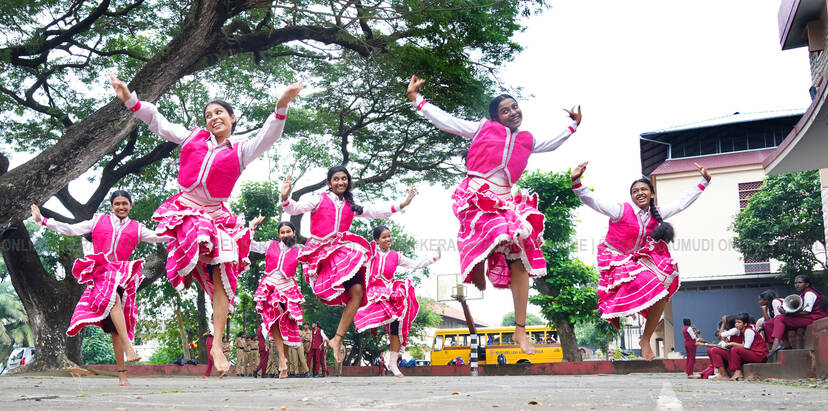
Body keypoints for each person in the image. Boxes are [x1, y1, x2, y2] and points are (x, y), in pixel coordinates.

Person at [110, 74, 301, 376]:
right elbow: (158, 122)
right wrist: (130, 100)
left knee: (226, 264)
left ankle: (217, 343)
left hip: (216, 214)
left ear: (232, 118)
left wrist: (281, 105)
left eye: (219, 113)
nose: (213, 118)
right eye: (208, 114)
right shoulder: (192, 137)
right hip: (186, 211)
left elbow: (269, 136)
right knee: (201, 231)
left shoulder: (241, 150)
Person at [407, 75, 581, 355]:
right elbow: (447, 121)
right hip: (479, 191)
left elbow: (551, 143)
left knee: (521, 256)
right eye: (505, 110)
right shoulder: (482, 129)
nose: (513, 112)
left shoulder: (527, 139)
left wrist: (573, 125)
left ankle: (520, 330)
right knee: (498, 229)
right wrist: (418, 100)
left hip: (506, 197)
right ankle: (475, 266)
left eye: (515, 107)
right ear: (496, 117)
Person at [570, 161, 710, 360]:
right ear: (632, 196)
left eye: (644, 189)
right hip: (615, 256)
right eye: (635, 191)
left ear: (652, 194)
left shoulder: (658, 214)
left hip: (638, 257)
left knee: (663, 286)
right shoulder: (620, 210)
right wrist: (577, 181)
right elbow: (594, 201)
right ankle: (613, 310)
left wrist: (704, 182)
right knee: (639, 282)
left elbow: (681, 203)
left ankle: (645, 339)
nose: (640, 193)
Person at [30, 191, 167, 386]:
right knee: (114, 299)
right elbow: (70, 229)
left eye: (125, 203)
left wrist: (187, 225)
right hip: (101, 274)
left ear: (131, 205)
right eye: (117, 203)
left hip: (122, 276)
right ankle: (129, 347)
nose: (121, 207)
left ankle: (122, 375)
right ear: (112, 206)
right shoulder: (97, 221)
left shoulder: (137, 228)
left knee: (115, 330)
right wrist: (43, 220)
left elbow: (160, 237)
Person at [281, 166, 415, 365]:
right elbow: (293, 209)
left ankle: (338, 338)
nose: (340, 182)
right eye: (336, 179)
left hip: (342, 252)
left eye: (344, 179)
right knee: (328, 291)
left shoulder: (351, 205)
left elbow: (376, 212)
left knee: (359, 291)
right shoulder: (318, 198)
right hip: (321, 251)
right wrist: (285, 197)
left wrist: (402, 204)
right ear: (329, 182)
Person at [353, 226, 440, 377]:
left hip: (388, 291)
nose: (388, 239)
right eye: (384, 237)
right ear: (377, 240)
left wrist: (434, 258)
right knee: (362, 312)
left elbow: (415, 264)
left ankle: (393, 363)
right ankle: (374, 324)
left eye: (389, 236)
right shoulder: (370, 253)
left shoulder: (395, 256)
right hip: (372, 290)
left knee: (396, 321)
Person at [250, 219, 305, 379]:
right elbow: (251, 244)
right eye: (282, 232)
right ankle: (282, 358)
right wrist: (252, 226)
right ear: (279, 235)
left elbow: (314, 259)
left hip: (288, 287)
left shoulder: (300, 250)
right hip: (270, 286)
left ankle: (283, 364)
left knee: (286, 323)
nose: (285, 234)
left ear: (294, 233)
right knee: (273, 319)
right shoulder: (270, 245)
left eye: (288, 231)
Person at [768, 274, 828, 357]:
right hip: (808, 317)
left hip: (814, 318)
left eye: (800, 282)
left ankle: (776, 344)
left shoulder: (809, 294)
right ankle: (786, 345)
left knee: (780, 318)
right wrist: (785, 310)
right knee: (773, 322)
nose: (797, 285)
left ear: (807, 284)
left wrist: (786, 313)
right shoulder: (802, 295)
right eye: (795, 283)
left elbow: (806, 312)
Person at [725, 313, 768, 381]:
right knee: (731, 350)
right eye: (736, 322)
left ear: (745, 324)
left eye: (739, 322)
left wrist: (733, 343)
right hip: (752, 353)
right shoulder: (741, 331)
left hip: (759, 355)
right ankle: (735, 372)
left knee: (735, 350)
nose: (736, 324)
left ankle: (738, 373)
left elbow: (746, 347)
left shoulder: (748, 331)